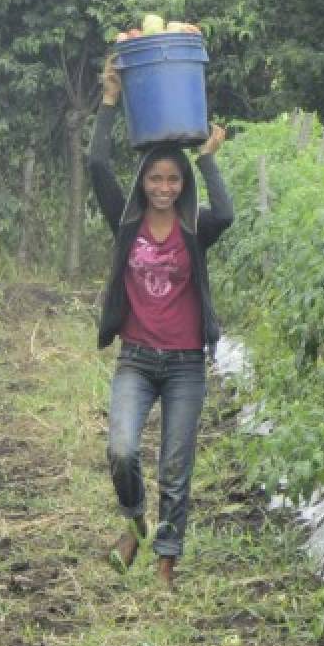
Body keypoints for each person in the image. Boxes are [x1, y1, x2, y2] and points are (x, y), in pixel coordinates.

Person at [86, 56, 233, 590]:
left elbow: (229, 212)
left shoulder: (196, 228)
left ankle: (167, 560)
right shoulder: (126, 221)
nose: (164, 187)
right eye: (155, 177)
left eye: (173, 178)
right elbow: (99, 165)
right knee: (121, 449)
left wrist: (209, 159)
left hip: (186, 365)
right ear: (143, 181)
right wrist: (108, 102)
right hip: (137, 360)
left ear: (181, 183)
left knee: (176, 466)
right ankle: (134, 520)